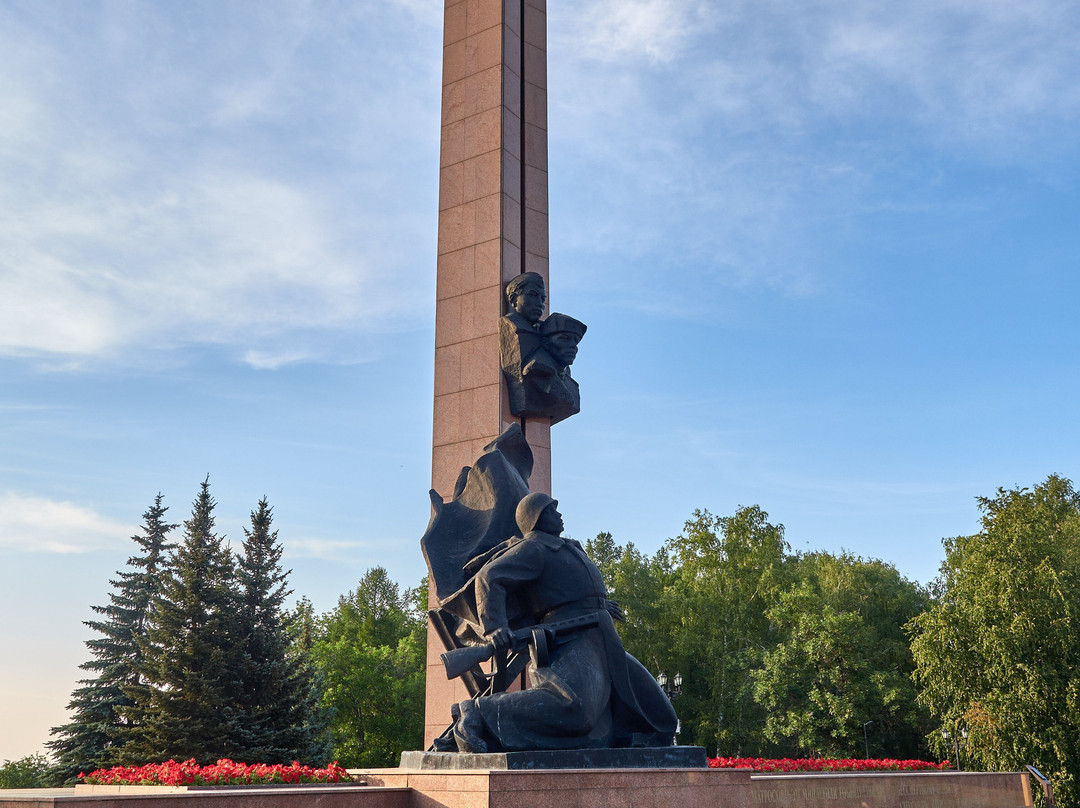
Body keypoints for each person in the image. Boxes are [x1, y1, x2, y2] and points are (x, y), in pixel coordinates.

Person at [444, 493, 677, 753]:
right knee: (575, 709)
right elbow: (488, 578)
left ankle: (628, 744)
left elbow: (571, 590)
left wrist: (599, 604)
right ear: (535, 518)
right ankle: (477, 712)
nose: (559, 514)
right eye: (551, 511)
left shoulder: (568, 547)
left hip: (602, 637)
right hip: (568, 640)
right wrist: (495, 627)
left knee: (659, 716)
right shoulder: (534, 548)